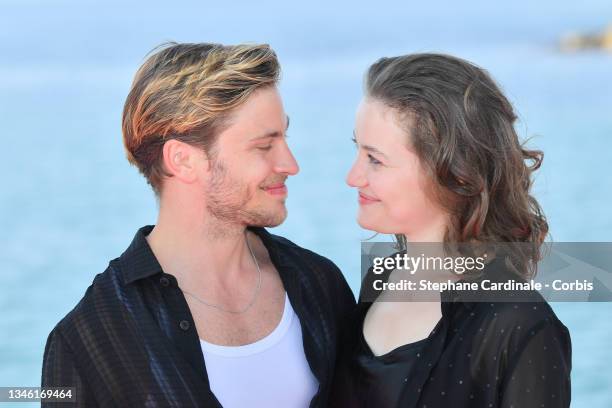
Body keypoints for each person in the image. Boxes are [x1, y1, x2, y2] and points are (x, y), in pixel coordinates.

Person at [41, 42, 355, 407]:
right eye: (263, 146)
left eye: (284, 137)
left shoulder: (318, 282)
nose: (290, 163)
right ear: (183, 161)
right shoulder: (89, 338)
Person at [331, 53, 571, 407]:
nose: (353, 177)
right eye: (358, 152)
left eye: (375, 160)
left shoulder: (522, 326)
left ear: (454, 172)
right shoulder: (380, 279)